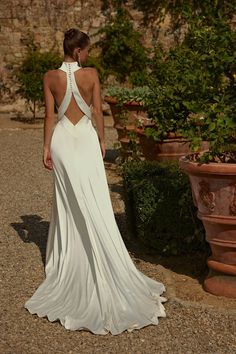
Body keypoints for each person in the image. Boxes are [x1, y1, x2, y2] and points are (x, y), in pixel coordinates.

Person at [24, 28, 167, 335]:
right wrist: (102, 141)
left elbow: (50, 117)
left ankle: (71, 257)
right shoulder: (91, 75)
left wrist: (46, 147)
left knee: (69, 202)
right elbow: (98, 111)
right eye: (86, 50)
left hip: (62, 141)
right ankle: (99, 249)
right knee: (95, 200)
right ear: (78, 52)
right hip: (86, 140)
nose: (88, 55)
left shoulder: (50, 77)